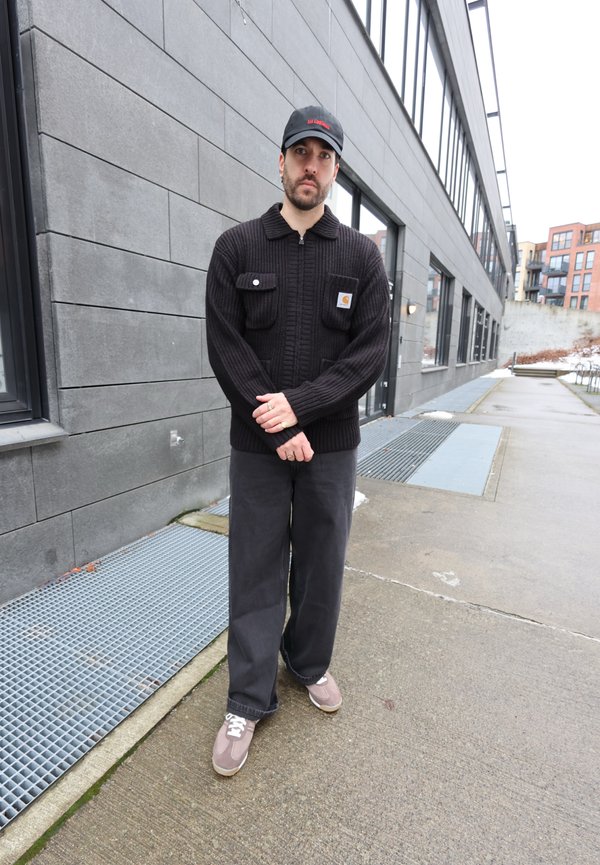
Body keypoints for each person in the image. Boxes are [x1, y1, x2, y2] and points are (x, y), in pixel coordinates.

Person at [206, 105, 390, 776]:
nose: (310, 166)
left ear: (335, 171)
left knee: (321, 567)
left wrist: (302, 409)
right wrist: (278, 425)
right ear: (281, 161)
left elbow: (368, 355)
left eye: (323, 156)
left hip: (331, 447)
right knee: (254, 568)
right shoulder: (236, 248)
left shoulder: (362, 257)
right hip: (258, 447)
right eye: (300, 153)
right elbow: (226, 348)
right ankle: (248, 698)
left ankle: (307, 662)